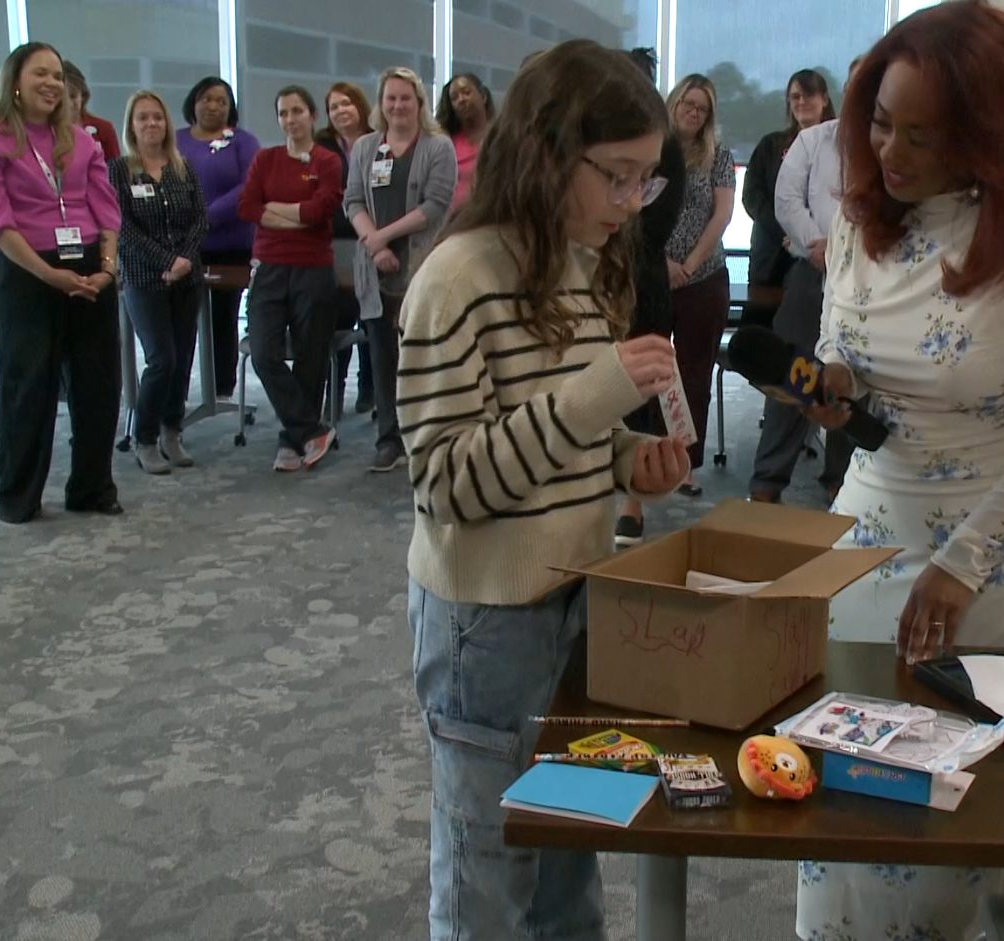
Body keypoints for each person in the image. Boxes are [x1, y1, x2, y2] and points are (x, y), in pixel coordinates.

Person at [795, 4, 1004, 939]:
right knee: (849, 765)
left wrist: (965, 561)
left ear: (987, 133)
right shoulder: (862, 218)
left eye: (922, 135)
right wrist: (836, 386)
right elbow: (841, 337)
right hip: (877, 517)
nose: (890, 151)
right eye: (881, 123)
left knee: (955, 795)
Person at [397, 38, 686, 940]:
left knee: (570, 852)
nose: (631, 202)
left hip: (579, 599)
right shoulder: (456, 278)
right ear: (546, 151)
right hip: (487, 619)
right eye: (617, 177)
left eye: (645, 181)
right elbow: (449, 484)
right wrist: (599, 396)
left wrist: (626, 457)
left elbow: (565, 432)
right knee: (487, 877)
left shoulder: (583, 259)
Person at [0, 41, 124, 524]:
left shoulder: (81, 140)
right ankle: (18, 496)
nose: (52, 83)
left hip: (90, 267)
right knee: (27, 386)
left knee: (98, 384)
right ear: (14, 80)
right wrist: (49, 274)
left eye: (58, 75)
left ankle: (92, 488)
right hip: (26, 271)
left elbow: (106, 209)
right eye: (41, 74)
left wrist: (107, 268)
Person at [750, 63, 856, 507]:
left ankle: (840, 479)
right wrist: (822, 247)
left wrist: (845, 249)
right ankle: (768, 481)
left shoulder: (890, 149)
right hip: (811, 272)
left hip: (865, 280)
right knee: (793, 374)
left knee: (852, 378)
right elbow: (786, 200)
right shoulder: (814, 140)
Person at [344, 66, 456, 473]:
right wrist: (374, 247)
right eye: (390, 98)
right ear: (380, 103)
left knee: (424, 355)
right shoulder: (365, 147)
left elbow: (435, 205)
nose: (397, 105)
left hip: (421, 267)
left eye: (405, 98)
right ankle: (388, 438)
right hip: (375, 271)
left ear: (419, 102)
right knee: (382, 355)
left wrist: (382, 237)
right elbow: (353, 201)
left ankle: (425, 436)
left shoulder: (438, 147)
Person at [236, 85, 344, 471]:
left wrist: (276, 210)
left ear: (313, 116)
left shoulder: (328, 161)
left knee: (310, 355)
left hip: (313, 267)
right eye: (283, 113)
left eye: (297, 111)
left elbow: (319, 212)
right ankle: (310, 430)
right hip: (269, 267)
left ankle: (292, 440)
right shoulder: (265, 159)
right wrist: (295, 214)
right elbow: (247, 207)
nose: (290, 119)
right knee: (263, 352)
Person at [110, 89, 208, 475]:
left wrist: (183, 261)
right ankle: (145, 438)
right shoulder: (119, 170)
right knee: (161, 360)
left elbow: (200, 219)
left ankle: (172, 431)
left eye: (157, 117)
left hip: (187, 277)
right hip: (144, 278)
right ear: (131, 126)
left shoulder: (183, 167)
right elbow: (122, 228)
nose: (151, 123)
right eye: (143, 118)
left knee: (182, 360)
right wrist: (166, 261)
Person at [613, 46, 687, 547]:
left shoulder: (668, 149)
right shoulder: (593, 143)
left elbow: (656, 224)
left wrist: (607, 224)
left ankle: (632, 501)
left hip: (642, 278)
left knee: (641, 383)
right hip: (594, 277)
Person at [664, 73, 735, 498]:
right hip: (653, 276)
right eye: (688, 104)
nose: (694, 112)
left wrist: (687, 266)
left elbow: (722, 215)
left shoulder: (718, 156)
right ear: (674, 104)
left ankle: (685, 465)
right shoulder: (652, 150)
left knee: (694, 376)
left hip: (703, 276)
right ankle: (647, 459)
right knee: (648, 374)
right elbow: (633, 210)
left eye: (702, 108)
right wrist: (663, 265)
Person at [179, 76, 261, 401]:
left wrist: (207, 216)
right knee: (182, 319)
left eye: (221, 101)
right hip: (184, 245)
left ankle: (222, 389)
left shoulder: (244, 141)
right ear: (193, 102)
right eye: (206, 99)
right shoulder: (177, 140)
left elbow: (250, 185)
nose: (212, 106)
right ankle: (177, 390)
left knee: (223, 317)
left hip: (231, 244)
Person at [742, 69, 834, 330]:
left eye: (809, 95)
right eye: (795, 96)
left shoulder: (839, 146)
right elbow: (752, 195)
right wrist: (787, 230)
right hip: (771, 255)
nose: (801, 102)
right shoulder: (770, 145)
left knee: (807, 333)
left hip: (819, 255)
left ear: (824, 99)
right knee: (760, 333)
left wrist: (805, 236)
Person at [317, 81, 376, 415]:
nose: (340, 111)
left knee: (372, 317)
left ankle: (368, 388)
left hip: (373, 239)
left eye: (346, 103)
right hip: (335, 241)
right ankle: (334, 392)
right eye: (334, 107)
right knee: (339, 319)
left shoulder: (380, 140)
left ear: (360, 106)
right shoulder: (322, 146)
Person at [435, 72, 493, 213]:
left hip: (490, 217)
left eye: (466, 92)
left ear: (483, 96)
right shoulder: (447, 142)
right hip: (453, 220)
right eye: (454, 98)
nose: (461, 100)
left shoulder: (499, 136)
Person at [61, 61, 120, 160]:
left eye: (73, 96)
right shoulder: (44, 131)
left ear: (83, 96)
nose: (69, 104)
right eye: (62, 98)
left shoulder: (104, 129)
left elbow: (116, 166)